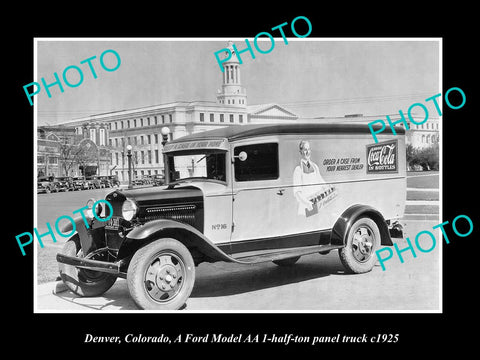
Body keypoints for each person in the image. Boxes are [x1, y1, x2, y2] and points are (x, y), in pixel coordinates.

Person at [293, 140, 335, 217]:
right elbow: (297, 193)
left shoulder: (315, 167)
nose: (307, 152)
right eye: (305, 150)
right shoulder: (298, 169)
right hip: (306, 208)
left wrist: (330, 188)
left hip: (317, 206)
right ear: (301, 152)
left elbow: (321, 182)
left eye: (308, 149)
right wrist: (307, 203)